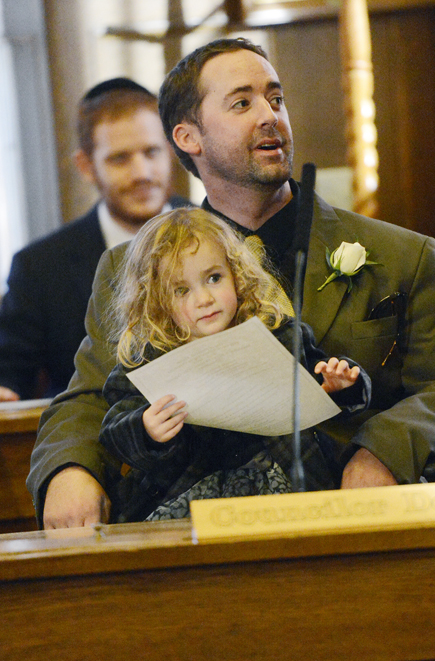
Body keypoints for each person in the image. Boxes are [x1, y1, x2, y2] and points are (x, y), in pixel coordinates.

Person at [28, 38, 435, 529]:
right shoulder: (132, 268)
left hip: (357, 523)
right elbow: (87, 398)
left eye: (276, 99)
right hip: (196, 535)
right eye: (242, 103)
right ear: (188, 138)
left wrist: (382, 453)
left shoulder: (402, 255)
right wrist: (68, 470)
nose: (270, 116)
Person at [98, 208, 370, 522]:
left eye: (214, 278)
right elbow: (115, 425)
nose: (204, 299)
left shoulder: (277, 334)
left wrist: (339, 384)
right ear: (157, 301)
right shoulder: (151, 358)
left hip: (288, 475)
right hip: (191, 491)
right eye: (182, 290)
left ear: (236, 275)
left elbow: (317, 374)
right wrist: (146, 429)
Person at [0, 77, 187, 401]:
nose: (142, 172)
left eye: (151, 151)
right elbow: (9, 373)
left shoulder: (222, 231)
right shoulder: (39, 267)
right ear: (86, 166)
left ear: (171, 150)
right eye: (120, 158)